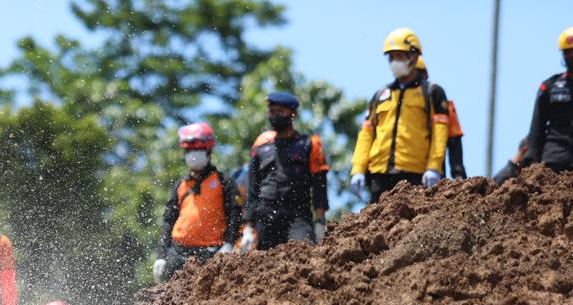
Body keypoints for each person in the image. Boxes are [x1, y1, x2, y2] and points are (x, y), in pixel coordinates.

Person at [350, 29, 450, 204]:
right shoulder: (380, 95)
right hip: (379, 175)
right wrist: (358, 169)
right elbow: (366, 135)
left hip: (414, 175)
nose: (395, 61)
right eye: (392, 57)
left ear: (414, 56)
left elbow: (440, 134)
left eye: (400, 55)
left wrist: (434, 167)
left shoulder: (432, 92)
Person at [239, 92, 329, 252]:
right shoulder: (261, 147)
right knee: (262, 266)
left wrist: (320, 221)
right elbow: (252, 190)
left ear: (293, 114)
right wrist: (247, 227)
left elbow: (319, 185)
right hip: (266, 217)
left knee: (302, 254)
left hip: (298, 216)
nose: (275, 116)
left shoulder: (309, 143)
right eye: (272, 111)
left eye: (281, 112)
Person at [154, 122, 240, 283]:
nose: (193, 154)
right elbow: (168, 221)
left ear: (209, 151)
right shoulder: (180, 185)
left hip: (210, 254)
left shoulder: (224, 182)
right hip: (177, 254)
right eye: (189, 150)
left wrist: (228, 245)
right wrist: (161, 256)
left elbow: (235, 217)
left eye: (198, 149)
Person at [523, 26, 573, 172]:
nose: (571, 56)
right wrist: (532, 162)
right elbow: (537, 128)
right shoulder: (549, 86)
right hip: (553, 163)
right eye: (567, 52)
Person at [415, 56, 467, 179]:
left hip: (433, 176)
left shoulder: (440, 102)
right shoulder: (396, 106)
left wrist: (458, 174)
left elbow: (455, 143)